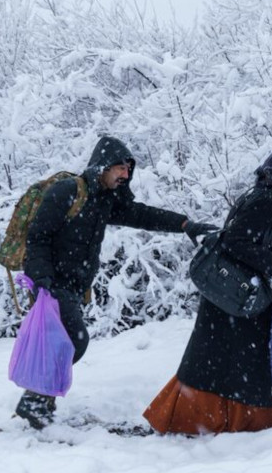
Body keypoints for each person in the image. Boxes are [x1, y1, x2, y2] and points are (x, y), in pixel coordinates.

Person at [14, 135, 219, 429]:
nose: (125, 175)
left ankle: (37, 405)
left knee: (63, 344)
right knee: (74, 341)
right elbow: (38, 236)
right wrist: (43, 280)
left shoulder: (104, 201)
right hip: (52, 283)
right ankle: (35, 402)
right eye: (120, 168)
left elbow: (143, 215)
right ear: (103, 166)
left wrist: (185, 224)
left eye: (128, 169)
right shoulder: (67, 191)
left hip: (72, 286)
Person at [144, 148, 272, 434]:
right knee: (247, 361)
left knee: (224, 363)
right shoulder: (266, 200)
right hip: (240, 298)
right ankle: (255, 418)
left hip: (238, 298)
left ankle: (231, 418)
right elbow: (236, 241)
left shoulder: (270, 198)